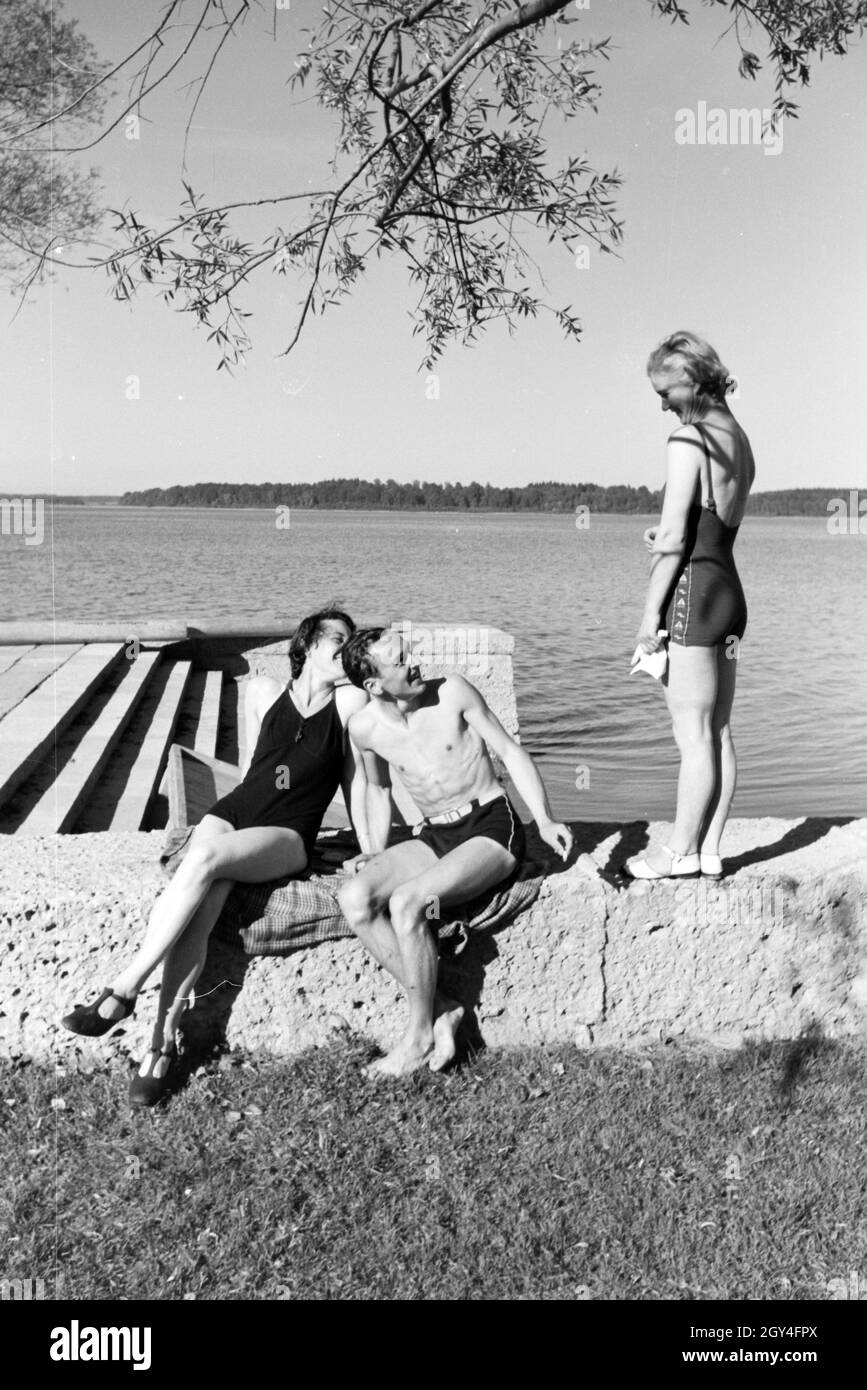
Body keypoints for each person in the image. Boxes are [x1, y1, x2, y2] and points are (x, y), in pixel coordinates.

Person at [61, 607, 368, 1107]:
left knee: (200, 863)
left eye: (350, 642)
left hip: (287, 834)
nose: (345, 648)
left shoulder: (350, 704)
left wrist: (370, 848)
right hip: (235, 813)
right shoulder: (264, 692)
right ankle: (157, 1052)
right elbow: (253, 768)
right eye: (337, 638)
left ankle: (122, 990)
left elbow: (360, 785)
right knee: (199, 910)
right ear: (309, 644)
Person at [337, 626, 573, 1078]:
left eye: (411, 652)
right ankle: (442, 1007)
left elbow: (509, 750)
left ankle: (417, 1036)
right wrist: (374, 849)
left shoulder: (453, 693)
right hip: (435, 835)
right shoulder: (364, 729)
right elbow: (377, 787)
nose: (416, 661)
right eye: (401, 660)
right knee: (355, 899)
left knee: (408, 904)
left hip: (490, 824)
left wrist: (543, 818)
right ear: (373, 685)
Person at [627, 331, 754, 880]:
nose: (662, 405)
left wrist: (648, 619)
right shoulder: (739, 439)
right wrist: (674, 534)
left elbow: (677, 543)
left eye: (665, 392)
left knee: (692, 733)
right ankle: (709, 850)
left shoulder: (688, 440)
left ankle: (676, 850)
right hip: (728, 591)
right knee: (718, 729)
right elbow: (704, 527)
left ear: (689, 379)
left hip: (694, 596)